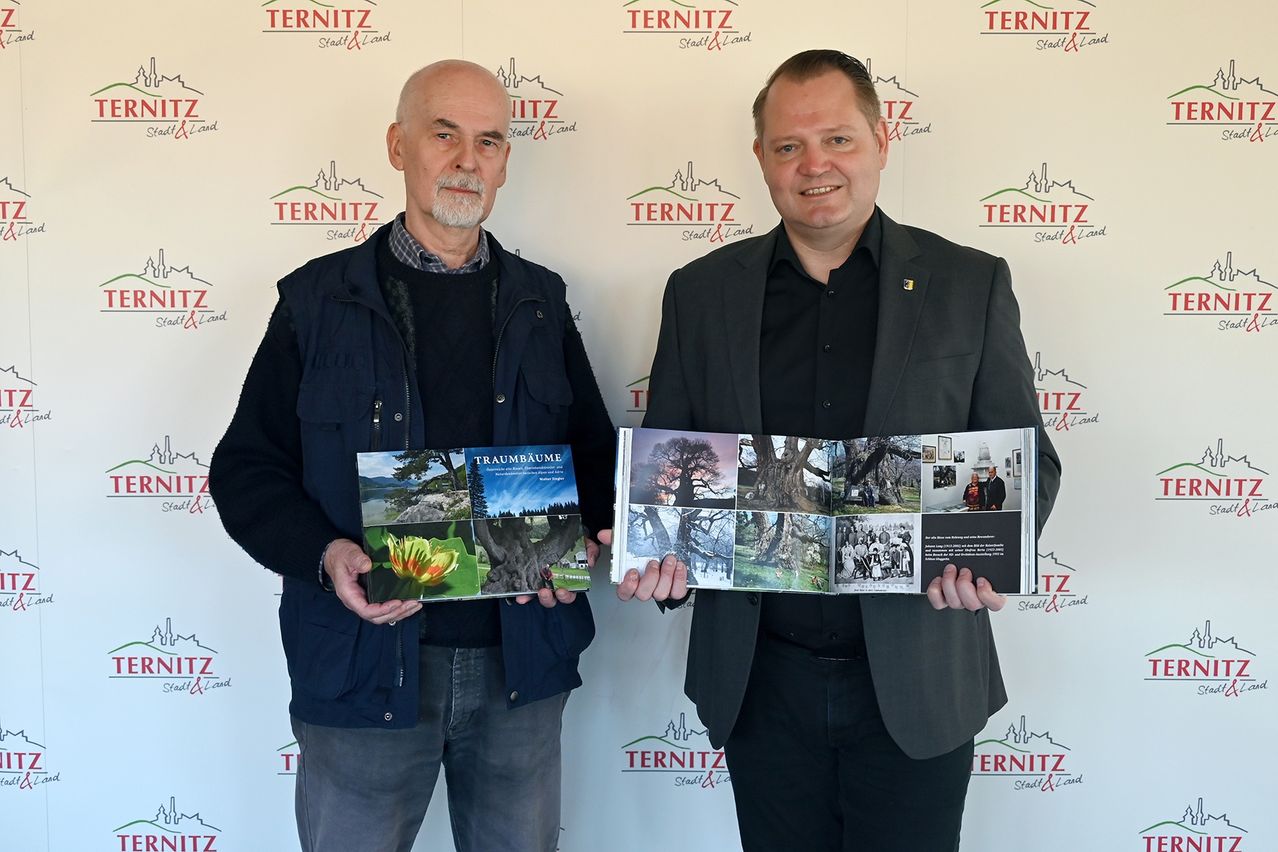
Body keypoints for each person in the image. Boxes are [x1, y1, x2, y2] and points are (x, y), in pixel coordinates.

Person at [617, 49, 1061, 852]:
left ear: (882, 141)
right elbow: (669, 468)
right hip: (760, 677)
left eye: (838, 140)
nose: (814, 164)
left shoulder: (971, 283)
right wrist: (665, 564)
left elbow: (1030, 457)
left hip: (919, 673)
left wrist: (986, 558)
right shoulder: (701, 291)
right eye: (788, 146)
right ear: (761, 158)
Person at [208, 60, 615, 852]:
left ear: (504, 161)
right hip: (362, 669)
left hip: (520, 670)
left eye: (489, 141)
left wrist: (589, 543)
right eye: (445, 134)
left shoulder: (541, 302)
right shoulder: (315, 303)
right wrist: (325, 554)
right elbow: (245, 469)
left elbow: (592, 459)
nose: (468, 159)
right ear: (399, 146)